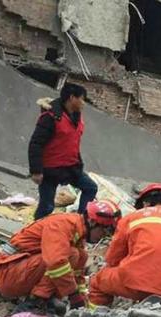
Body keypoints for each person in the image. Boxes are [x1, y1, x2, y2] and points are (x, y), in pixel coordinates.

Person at [89, 184, 161, 306]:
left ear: (145, 203)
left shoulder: (131, 218)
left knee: (97, 283)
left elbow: (112, 259)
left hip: (136, 284)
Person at [0, 201, 120, 311]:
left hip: (18, 271)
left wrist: (83, 300)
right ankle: (36, 301)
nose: (103, 237)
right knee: (70, 255)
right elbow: (56, 262)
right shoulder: (61, 225)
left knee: (81, 255)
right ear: (92, 222)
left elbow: (77, 274)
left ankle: (45, 298)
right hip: (7, 274)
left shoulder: (77, 231)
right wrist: (73, 295)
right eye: (105, 231)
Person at [28, 83, 98, 220]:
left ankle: (80, 223)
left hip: (71, 168)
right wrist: (36, 171)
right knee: (47, 207)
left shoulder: (77, 117)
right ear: (72, 98)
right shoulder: (50, 117)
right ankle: (34, 233)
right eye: (82, 99)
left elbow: (73, 143)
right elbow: (36, 144)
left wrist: (79, 163)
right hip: (50, 170)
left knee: (90, 188)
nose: (84, 103)